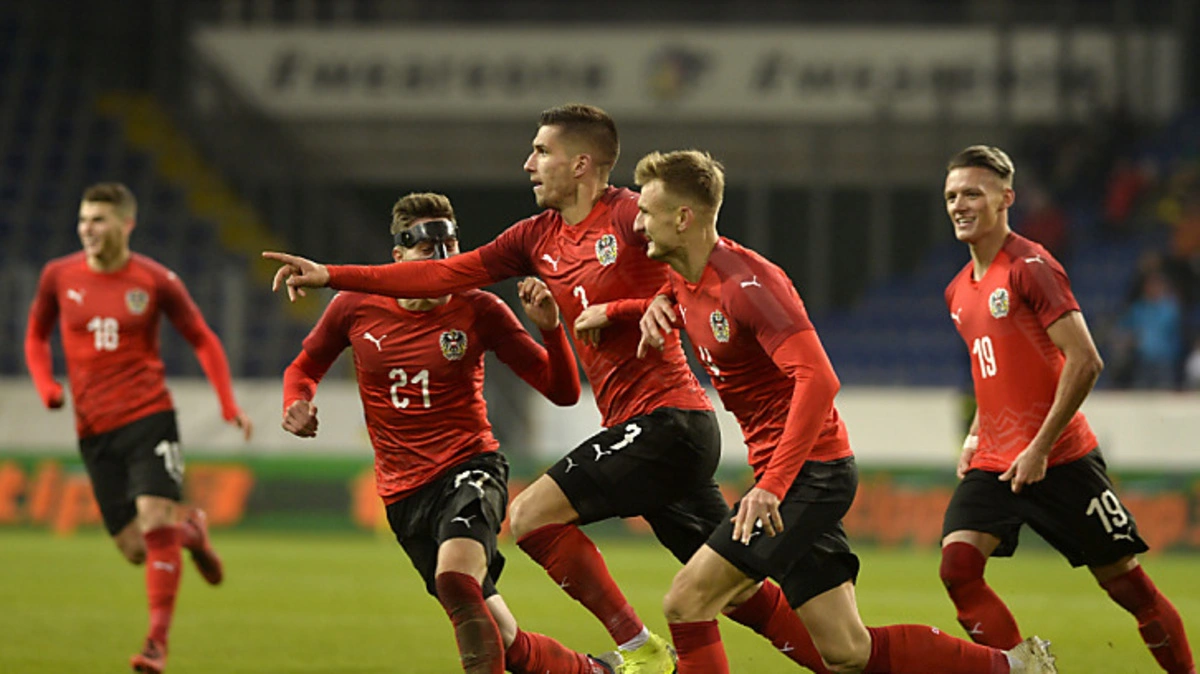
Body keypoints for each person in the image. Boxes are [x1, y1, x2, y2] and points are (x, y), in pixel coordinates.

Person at [264, 105, 837, 674]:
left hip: (670, 420)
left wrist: (644, 304)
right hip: (639, 431)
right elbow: (442, 273)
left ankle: (637, 648)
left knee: (531, 516)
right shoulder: (533, 237)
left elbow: (702, 253)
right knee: (730, 595)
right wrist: (331, 274)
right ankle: (844, 666)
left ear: (581, 164)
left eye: (541, 151)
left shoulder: (632, 215)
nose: (528, 164)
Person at [575, 149, 1058, 674]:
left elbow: (819, 379)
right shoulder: (681, 277)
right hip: (794, 474)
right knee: (847, 651)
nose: (637, 223)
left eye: (647, 212)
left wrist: (773, 486)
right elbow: (680, 296)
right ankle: (1016, 668)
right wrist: (623, 310)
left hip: (810, 474)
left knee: (686, 601)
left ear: (683, 218)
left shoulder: (748, 285)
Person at [280, 191, 617, 674]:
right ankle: (596, 671)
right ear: (398, 256)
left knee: (456, 577)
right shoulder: (354, 306)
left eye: (450, 248)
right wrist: (296, 401)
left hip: (469, 468)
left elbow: (561, 391)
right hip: (403, 494)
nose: (442, 261)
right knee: (504, 640)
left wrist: (550, 330)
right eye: (427, 250)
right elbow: (304, 366)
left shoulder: (480, 308)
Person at [938, 145, 1194, 673]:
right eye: (952, 196)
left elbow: (1086, 360)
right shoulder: (957, 291)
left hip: (1061, 458)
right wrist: (975, 436)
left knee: (1127, 586)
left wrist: (1040, 447)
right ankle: (1026, 669)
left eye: (973, 194)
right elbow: (994, 375)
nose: (960, 205)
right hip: (997, 461)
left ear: (1006, 199)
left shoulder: (1031, 266)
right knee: (958, 568)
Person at [24, 182, 253, 673]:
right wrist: (46, 386)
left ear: (126, 225)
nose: (88, 229)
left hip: (149, 416)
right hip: (94, 428)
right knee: (134, 548)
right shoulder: (57, 275)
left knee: (153, 519)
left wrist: (227, 403)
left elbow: (201, 337)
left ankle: (155, 644)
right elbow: (36, 335)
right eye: (84, 219)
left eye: (99, 220)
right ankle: (191, 532)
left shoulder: (155, 279)